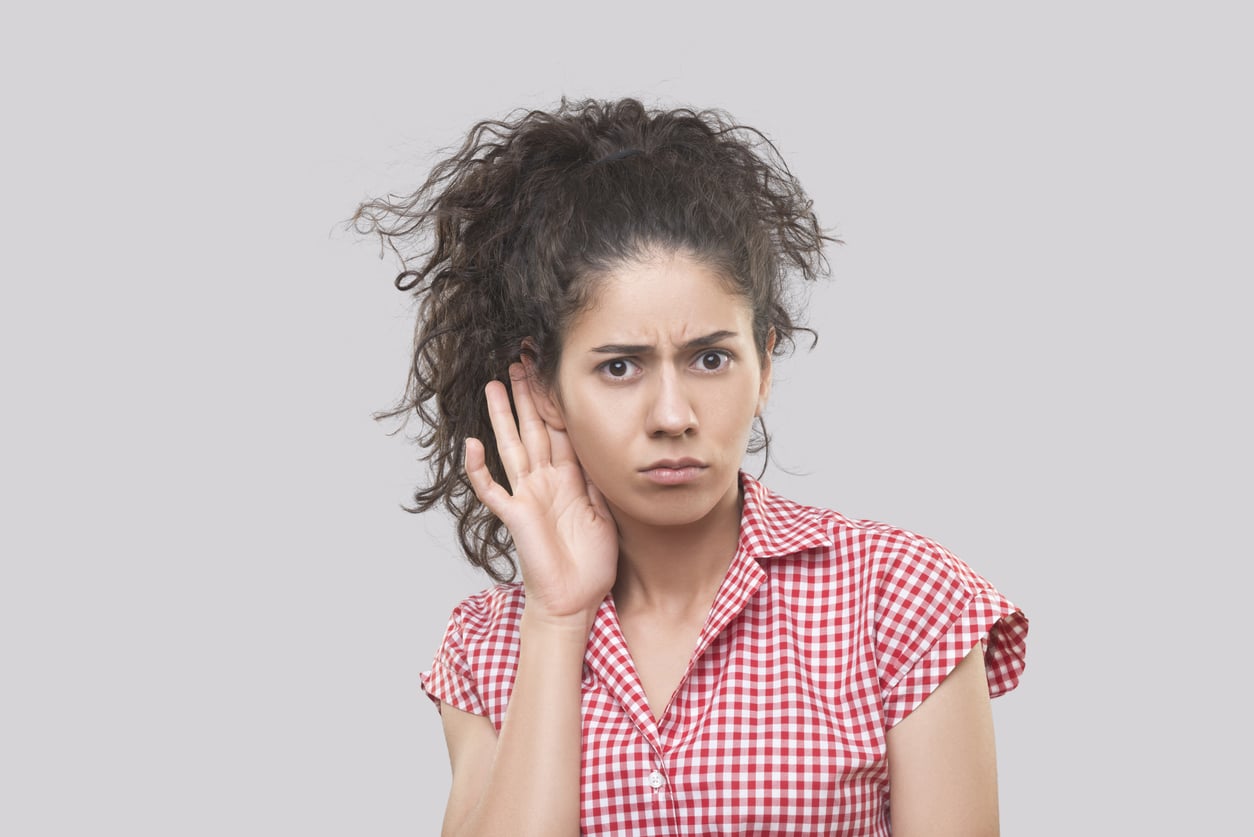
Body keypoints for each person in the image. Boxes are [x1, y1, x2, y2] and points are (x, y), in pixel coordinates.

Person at [355, 98, 1028, 837]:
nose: (672, 415)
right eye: (619, 367)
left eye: (711, 359)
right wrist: (557, 619)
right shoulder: (487, 647)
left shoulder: (900, 598)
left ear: (764, 364)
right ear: (545, 390)